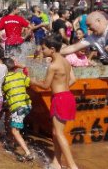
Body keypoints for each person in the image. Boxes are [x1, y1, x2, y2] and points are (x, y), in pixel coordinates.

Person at [30, 35, 78, 169]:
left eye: (43, 48)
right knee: (55, 132)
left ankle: (72, 166)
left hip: (60, 99)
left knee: (58, 133)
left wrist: (32, 80)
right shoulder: (66, 61)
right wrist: (62, 87)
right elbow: (73, 80)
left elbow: (45, 86)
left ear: (52, 49)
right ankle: (56, 162)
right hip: (68, 96)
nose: (42, 51)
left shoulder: (53, 65)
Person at [1, 58, 34, 162]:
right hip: (27, 106)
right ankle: (12, 142)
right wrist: (21, 67)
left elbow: (2, 92)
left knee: (14, 130)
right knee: (13, 122)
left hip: (18, 108)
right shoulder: (20, 75)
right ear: (15, 67)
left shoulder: (5, 79)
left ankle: (27, 152)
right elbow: (28, 82)